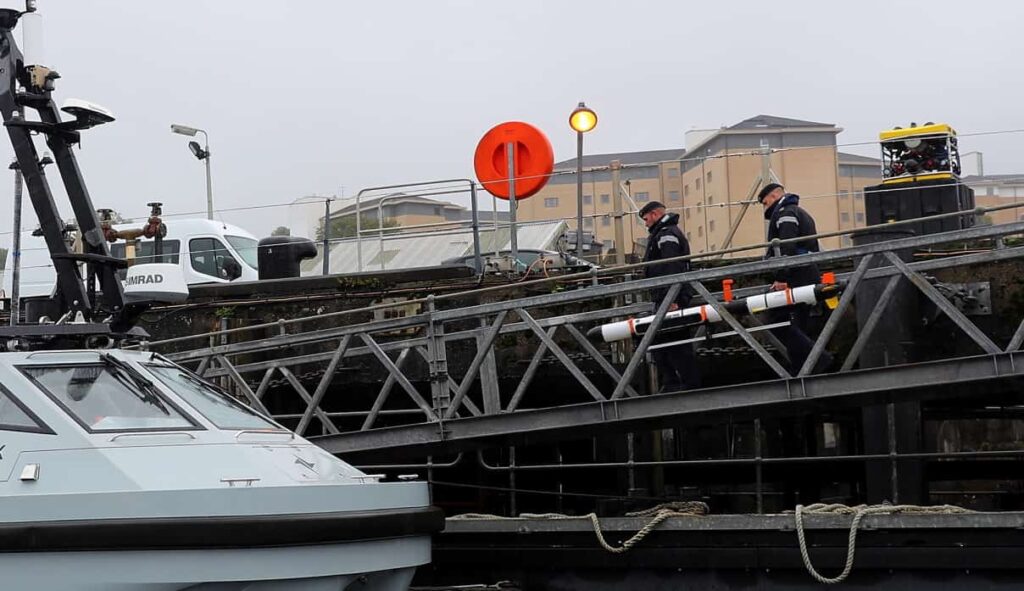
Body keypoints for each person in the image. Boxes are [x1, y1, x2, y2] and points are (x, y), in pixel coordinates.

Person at [758, 183, 832, 374]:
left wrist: (781, 277)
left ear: (775, 196)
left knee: (777, 320)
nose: (766, 208)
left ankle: (819, 359)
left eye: (766, 203)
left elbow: (786, 246)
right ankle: (804, 368)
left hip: (797, 275)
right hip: (807, 272)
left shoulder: (786, 214)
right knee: (798, 324)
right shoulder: (798, 212)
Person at [639, 201, 701, 392]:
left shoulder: (666, 235)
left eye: (646, 218)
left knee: (675, 342)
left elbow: (672, 265)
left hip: (671, 297)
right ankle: (673, 382)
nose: (646, 222)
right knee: (661, 342)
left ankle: (685, 384)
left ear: (655, 214)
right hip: (666, 296)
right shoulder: (664, 233)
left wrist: (672, 298)